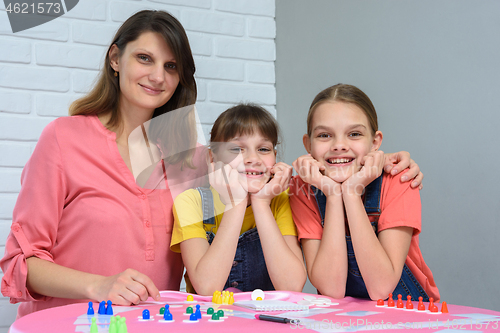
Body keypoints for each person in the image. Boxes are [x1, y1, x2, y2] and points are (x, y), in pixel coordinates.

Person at [0, 10, 205, 317]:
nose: (159, 76)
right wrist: (98, 286)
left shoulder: (185, 161)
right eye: (145, 58)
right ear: (115, 59)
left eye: (171, 66)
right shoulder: (63, 138)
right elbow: (20, 264)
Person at [290, 84, 439, 302]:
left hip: (407, 314)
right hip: (342, 317)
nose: (339, 145)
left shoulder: (399, 180)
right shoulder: (302, 189)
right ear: (308, 144)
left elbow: (381, 288)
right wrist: (333, 195)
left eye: (354, 134)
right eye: (324, 135)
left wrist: (351, 192)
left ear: (375, 142)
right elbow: (332, 289)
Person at [170, 104, 307, 295]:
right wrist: (236, 202)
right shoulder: (191, 202)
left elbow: (292, 285)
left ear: (275, 158)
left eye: (264, 149)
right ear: (212, 157)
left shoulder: (280, 200)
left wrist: (261, 203)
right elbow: (207, 287)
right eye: (236, 149)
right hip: (210, 321)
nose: (253, 158)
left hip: (266, 320)